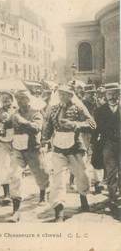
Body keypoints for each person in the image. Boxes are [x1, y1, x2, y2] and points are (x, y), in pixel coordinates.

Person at [42, 85, 96, 222]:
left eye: (66, 94)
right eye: (60, 94)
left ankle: (83, 198)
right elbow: (47, 126)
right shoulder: (53, 109)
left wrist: (74, 124)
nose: (62, 97)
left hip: (75, 147)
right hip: (58, 148)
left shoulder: (79, 108)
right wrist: (44, 139)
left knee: (82, 175)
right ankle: (59, 210)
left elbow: (92, 124)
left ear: (71, 95)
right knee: (58, 179)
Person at [9, 90, 49, 222]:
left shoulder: (36, 113)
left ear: (28, 100)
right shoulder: (15, 113)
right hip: (17, 148)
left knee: (40, 173)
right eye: (18, 99)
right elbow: (8, 125)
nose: (20, 102)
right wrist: (4, 126)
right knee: (15, 176)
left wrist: (23, 122)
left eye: (23, 99)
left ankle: (43, 194)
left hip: (33, 148)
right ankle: (16, 209)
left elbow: (37, 128)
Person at [93, 83, 120, 218]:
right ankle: (112, 197)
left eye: (115, 93)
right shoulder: (100, 111)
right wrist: (95, 145)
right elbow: (96, 130)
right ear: (106, 95)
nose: (113, 96)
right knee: (111, 172)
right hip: (108, 144)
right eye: (110, 94)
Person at [0, 91, 16, 203]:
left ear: (12, 100)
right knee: (3, 167)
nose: (6, 102)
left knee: (15, 168)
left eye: (8, 99)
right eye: (3, 100)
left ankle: (15, 194)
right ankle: (6, 194)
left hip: (15, 142)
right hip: (3, 142)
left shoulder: (16, 111)